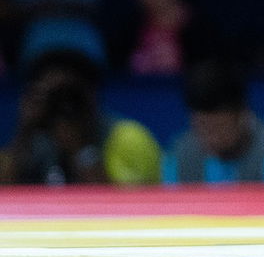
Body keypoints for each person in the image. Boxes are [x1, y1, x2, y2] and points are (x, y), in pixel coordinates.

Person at [0, 49, 162, 186]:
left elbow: (128, 211)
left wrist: (81, 148)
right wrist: (25, 130)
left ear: (92, 94)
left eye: (69, 96)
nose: (62, 105)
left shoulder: (128, 138)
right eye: (53, 97)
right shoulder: (35, 140)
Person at [165, 60, 264, 183]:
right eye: (202, 127)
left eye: (219, 127)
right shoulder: (179, 158)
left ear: (243, 116)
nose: (212, 138)